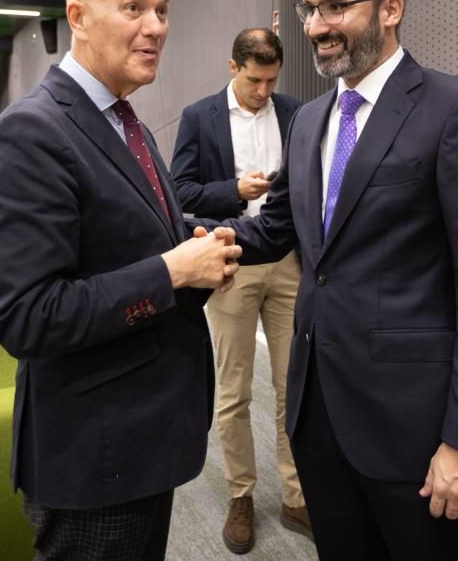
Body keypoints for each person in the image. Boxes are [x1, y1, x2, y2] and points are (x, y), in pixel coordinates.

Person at [221, 0, 458, 561]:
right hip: (321, 418)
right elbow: (277, 230)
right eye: (309, 9)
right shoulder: (308, 120)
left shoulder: (456, 110)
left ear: (390, 9)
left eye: (336, 6)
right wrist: (191, 244)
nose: (316, 26)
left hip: (418, 434)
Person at [0, 0, 242, 561]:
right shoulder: (33, 132)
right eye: (133, 7)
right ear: (79, 16)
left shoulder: (130, 125)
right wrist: (171, 271)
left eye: (162, 9)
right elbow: (27, 316)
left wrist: (199, 256)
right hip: (94, 452)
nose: (156, 27)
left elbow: (134, 246)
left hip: (142, 436)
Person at [170, 28, 310, 552]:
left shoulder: (295, 112)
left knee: (292, 385)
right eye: (254, 80)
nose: (263, 91)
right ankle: (242, 495)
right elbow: (179, 189)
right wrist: (234, 191)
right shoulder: (198, 117)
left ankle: (297, 496)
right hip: (229, 261)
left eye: (272, 80)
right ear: (233, 68)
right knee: (234, 390)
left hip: (290, 263)